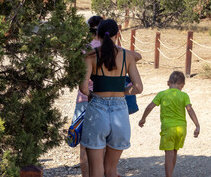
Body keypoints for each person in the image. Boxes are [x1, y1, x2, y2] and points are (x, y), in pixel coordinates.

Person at [80, 19, 143, 177]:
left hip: (96, 111)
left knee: (96, 171)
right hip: (120, 112)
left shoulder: (91, 57)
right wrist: (122, 91)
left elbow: (83, 88)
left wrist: (92, 95)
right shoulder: (127, 57)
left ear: (98, 35)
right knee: (112, 170)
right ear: (117, 34)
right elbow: (138, 88)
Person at [138, 71, 200, 177]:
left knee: (168, 155)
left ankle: (169, 175)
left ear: (168, 83)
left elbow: (150, 106)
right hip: (181, 129)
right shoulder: (184, 95)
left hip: (168, 129)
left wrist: (143, 118)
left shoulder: (162, 94)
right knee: (174, 152)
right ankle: (171, 173)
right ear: (182, 85)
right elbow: (190, 110)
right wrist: (197, 125)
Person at [71, 15, 103, 177]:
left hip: (84, 98)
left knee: (84, 144)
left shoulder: (83, 48)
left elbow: (76, 75)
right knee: (102, 143)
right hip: (104, 98)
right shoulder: (111, 49)